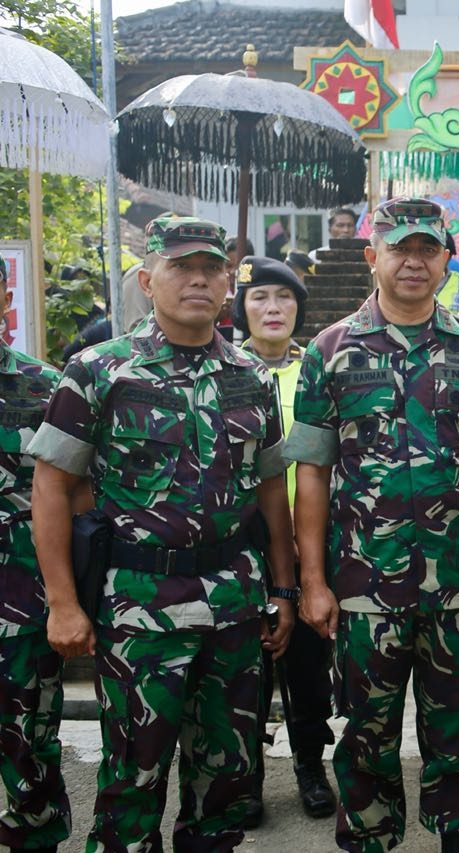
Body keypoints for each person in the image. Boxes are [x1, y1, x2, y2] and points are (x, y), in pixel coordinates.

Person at [29, 215, 298, 850]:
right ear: (148, 280)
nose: (198, 279)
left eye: (211, 268)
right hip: (140, 605)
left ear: (228, 283)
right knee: (132, 776)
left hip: (234, 602)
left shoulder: (251, 377)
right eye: (181, 268)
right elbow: (51, 487)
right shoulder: (99, 371)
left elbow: (270, 493)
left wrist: (283, 588)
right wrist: (64, 606)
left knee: (227, 778)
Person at [286, 197, 459, 853]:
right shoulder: (329, 352)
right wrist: (312, 581)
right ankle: (369, 838)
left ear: (447, 259)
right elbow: (312, 475)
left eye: (427, 249)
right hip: (362, 587)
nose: (413, 261)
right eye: (399, 248)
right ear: (372, 257)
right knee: (365, 732)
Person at [233, 255, 337, 826]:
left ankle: (309, 766)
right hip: (243, 548)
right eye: (259, 299)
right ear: (240, 307)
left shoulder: (318, 369)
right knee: (248, 670)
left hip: (311, 545)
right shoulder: (226, 370)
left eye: (285, 299)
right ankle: (246, 777)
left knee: (309, 669)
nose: (273, 310)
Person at [0, 256, 70, 853]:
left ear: (5, 301)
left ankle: (35, 836)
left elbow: (75, 498)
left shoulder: (44, 387)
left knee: (29, 742)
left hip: (21, 604)